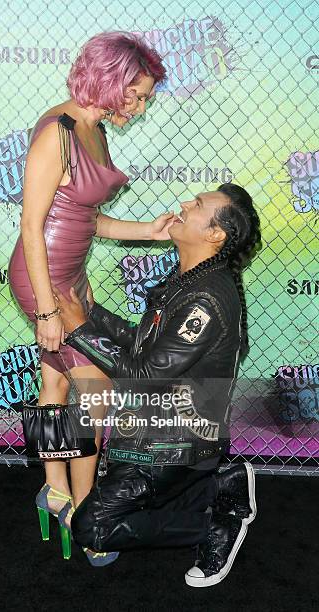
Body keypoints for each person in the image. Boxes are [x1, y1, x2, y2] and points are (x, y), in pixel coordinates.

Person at [8, 31, 170, 561]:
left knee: (55, 381)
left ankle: (54, 490)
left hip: (69, 277)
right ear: (110, 81)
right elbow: (32, 226)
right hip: (42, 279)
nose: (141, 105)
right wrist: (50, 309)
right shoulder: (56, 133)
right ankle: (84, 514)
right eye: (138, 93)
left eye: (145, 96)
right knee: (96, 395)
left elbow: (85, 218)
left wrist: (148, 231)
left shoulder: (92, 127)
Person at [55, 183, 261, 584]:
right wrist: (90, 313)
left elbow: (144, 377)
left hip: (176, 446)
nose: (185, 203)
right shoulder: (188, 278)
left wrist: (78, 329)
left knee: (92, 529)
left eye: (198, 205)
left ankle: (214, 519)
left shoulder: (205, 299)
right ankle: (221, 484)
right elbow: (141, 344)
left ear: (215, 235)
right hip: (153, 434)